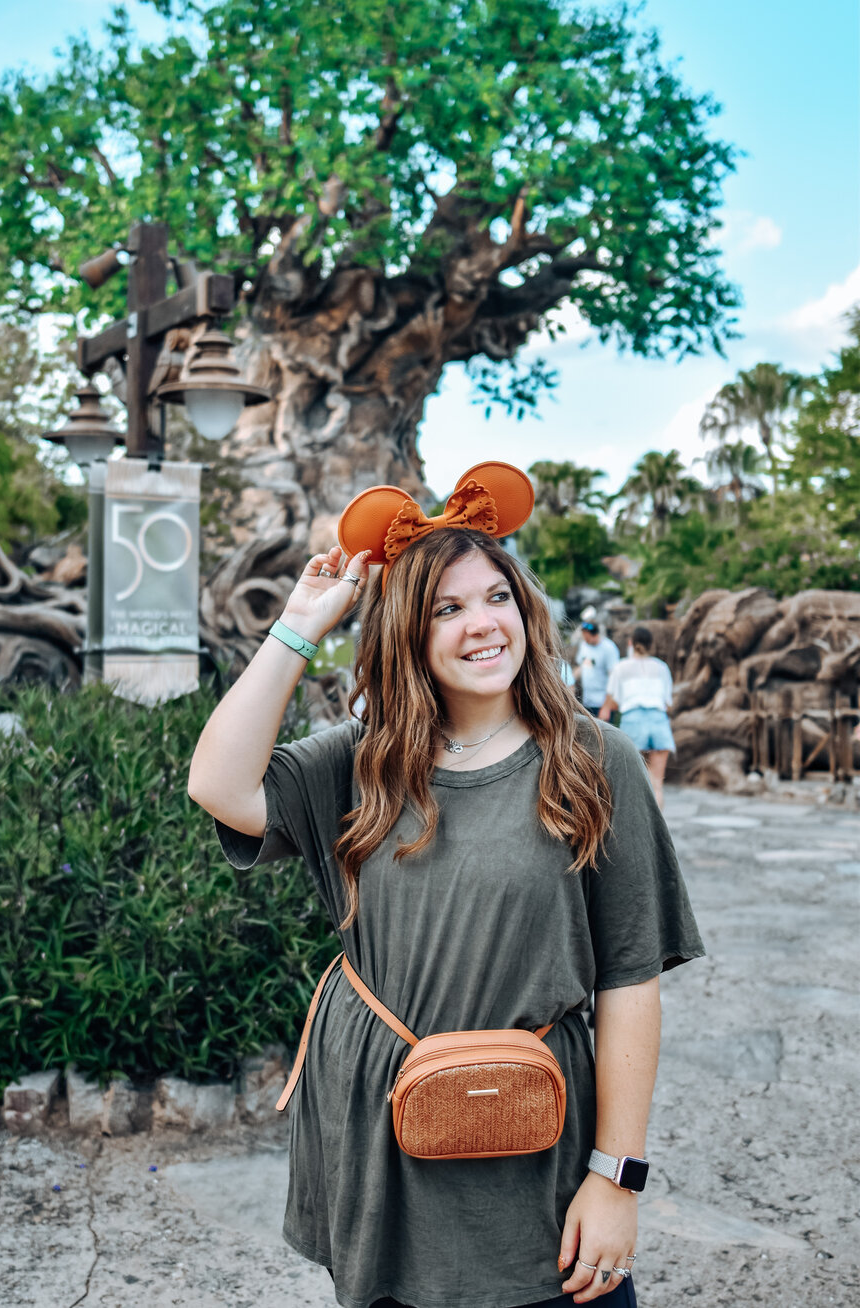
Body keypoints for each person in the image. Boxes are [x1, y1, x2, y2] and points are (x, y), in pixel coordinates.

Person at [188, 461, 704, 1308]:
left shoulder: (592, 761)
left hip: (540, 1145)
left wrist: (617, 1177)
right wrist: (297, 627)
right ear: (406, 634)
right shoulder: (362, 761)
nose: (483, 626)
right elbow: (220, 786)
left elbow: (630, 981)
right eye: (446, 608)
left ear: (526, 609)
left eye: (497, 597)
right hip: (380, 1142)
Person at [601, 629, 675, 811]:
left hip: (633, 723)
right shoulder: (661, 667)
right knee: (656, 785)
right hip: (658, 722)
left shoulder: (621, 667)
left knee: (633, 785)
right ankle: (658, 832)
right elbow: (668, 704)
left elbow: (612, 701)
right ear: (651, 645)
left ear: (630, 644)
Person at [573, 623, 620, 717]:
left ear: (595, 635)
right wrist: (568, 680)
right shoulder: (584, 645)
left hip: (602, 703)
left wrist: (606, 707)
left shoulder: (609, 648)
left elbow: (614, 677)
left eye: (587, 637)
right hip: (587, 702)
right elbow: (583, 666)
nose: (585, 640)